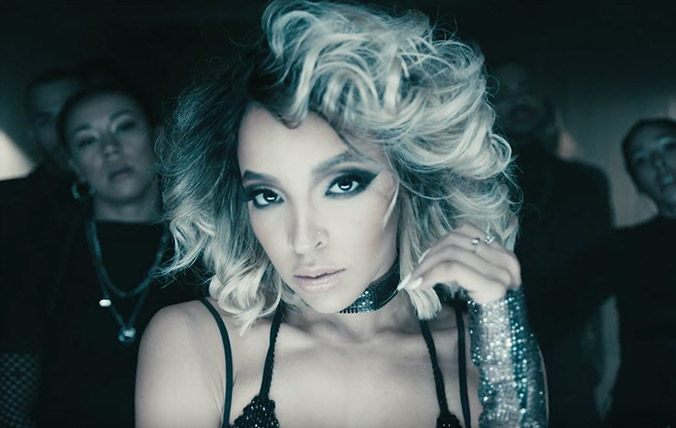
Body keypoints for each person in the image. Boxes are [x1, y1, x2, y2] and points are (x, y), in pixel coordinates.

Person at [136, 1, 547, 427]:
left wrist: (504, 348)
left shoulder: (484, 355)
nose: (302, 239)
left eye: (342, 185)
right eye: (267, 195)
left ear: (412, 179)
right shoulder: (195, 342)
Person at [33, 83, 200, 427]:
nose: (110, 148)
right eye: (87, 140)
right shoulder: (45, 253)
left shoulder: (203, 246)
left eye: (124, 126)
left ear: (159, 139)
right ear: (74, 165)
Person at [492, 61, 612, 427]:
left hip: (566, 347)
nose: (518, 101)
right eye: (505, 93)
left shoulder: (586, 181)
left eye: (526, 89)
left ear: (543, 98)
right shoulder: (469, 185)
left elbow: (600, 267)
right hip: (489, 340)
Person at [534, 118, 676, 427]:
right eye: (641, 160)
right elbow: (551, 307)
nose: (659, 163)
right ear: (637, 183)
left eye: (669, 147)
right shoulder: (626, 249)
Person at [0, 69, 85, 427]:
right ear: (32, 131)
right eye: (47, 120)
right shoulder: (9, 204)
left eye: (71, 110)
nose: (63, 128)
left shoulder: (156, 205)